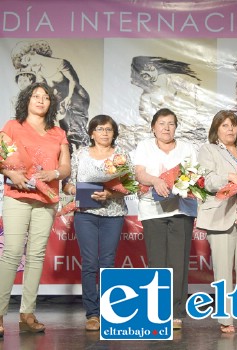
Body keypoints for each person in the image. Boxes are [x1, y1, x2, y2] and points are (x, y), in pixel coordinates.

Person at [0, 82, 71, 335]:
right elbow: (1, 158)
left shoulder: (58, 132)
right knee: (11, 253)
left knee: (37, 255)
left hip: (47, 198)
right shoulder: (12, 126)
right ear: (26, 100)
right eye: (35, 96)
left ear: (51, 103)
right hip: (17, 195)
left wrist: (54, 172)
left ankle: (27, 314)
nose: (41, 100)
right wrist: (9, 172)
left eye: (46, 97)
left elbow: (65, 169)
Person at [196, 110, 237, 334]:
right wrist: (231, 177)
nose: (230, 129)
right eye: (225, 125)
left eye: (233, 125)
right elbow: (207, 180)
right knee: (223, 270)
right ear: (216, 129)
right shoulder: (208, 150)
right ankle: (226, 319)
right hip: (222, 215)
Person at [63, 115, 130, 331]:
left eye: (109, 129)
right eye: (100, 129)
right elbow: (67, 184)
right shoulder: (81, 154)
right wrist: (77, 190)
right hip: (85, 213)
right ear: (92, 133)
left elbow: (129, 185)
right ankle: (92, 314)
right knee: (90, 262)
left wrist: (109, 193)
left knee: (108, 263)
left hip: (114, 213)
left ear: (114, 133)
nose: (104, 133)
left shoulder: (121, 156)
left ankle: (108, 311)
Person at [133, 108, 198, 330]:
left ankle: (176, 312)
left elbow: (195, 175)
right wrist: (155, 180)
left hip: (181, 210)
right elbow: (139, 173)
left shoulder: (188, 148)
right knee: (157, 261)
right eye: (162, 123)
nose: (166, 128)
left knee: (178, 262)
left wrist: (183, 185)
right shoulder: (144, 146)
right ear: (153, 127)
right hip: (153, 211)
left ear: (176, 127)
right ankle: (158, 310)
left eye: (171, 123)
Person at [11, 40, 90, 150]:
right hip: (60, 101)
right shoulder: (38, 73)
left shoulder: (61, 63)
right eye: (26, 64)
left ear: (33, 51)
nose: (29, 64)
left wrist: (68, 99)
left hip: (76, 98)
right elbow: (44, 90)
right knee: (65, 132)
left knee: (77, 132)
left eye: (28, 59)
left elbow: (75, 83)